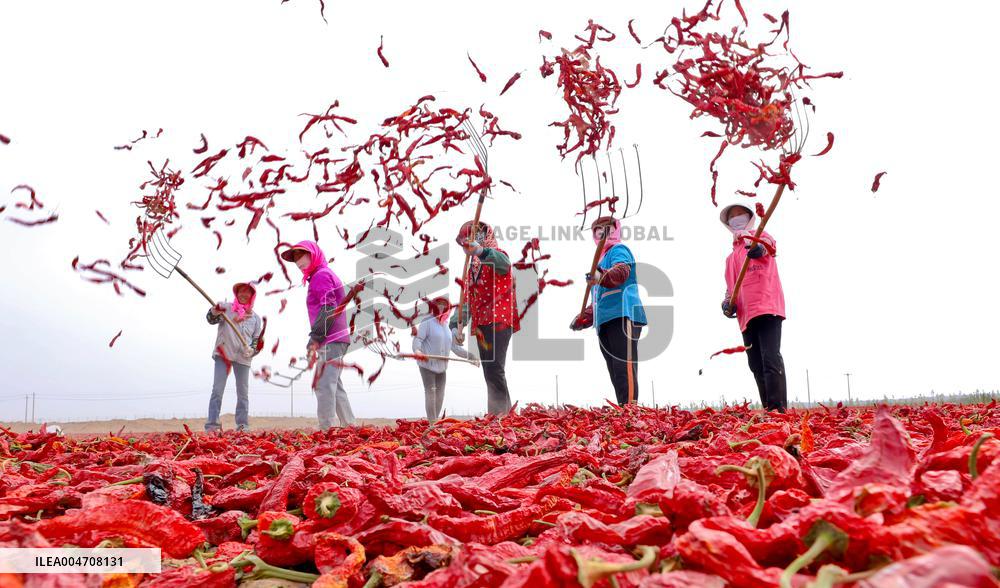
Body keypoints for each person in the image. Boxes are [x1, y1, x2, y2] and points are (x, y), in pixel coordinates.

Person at [570, 217, 647, 405]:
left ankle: (630, 409)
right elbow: (597, 300)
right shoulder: (601, 259)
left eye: (606, 228)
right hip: (604, 320)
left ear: (615, 230)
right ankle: (623, 407)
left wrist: (601, 275)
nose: (601, 232)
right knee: (614, 370)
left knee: (624, 366)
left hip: (623, 314)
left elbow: (621, 272)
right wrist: (584, 318)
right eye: (597, 229)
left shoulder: (619, 250)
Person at [280, 240, 357, 430]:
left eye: (301, 255)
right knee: (334, 384)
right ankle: (350, 427)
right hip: (335, 337)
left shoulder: (321, 276)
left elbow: (328, 308)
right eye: (295, 258)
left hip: (330, 337)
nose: (298, 262)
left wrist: (315, 338)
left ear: (313, 254)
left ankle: (327, 429)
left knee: (323, 384)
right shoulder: (321, 274)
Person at [719, 203, 787, 412]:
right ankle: (768, 406)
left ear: (749, 217)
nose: (736, 218)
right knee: (756, 363)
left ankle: (778, 409)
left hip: (767, 306)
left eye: (740, 214)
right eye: (732, 216)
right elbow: (731, 288)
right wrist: (727, 303)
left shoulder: (759, 235)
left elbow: (770, 246)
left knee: (770, 357)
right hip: (746, 315)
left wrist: (759, 248)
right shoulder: (731, 258)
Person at [450, 221, 520, 415]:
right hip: (482, 324)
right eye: (467, 240)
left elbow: (504, 265)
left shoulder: (496, 255)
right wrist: (456, 324)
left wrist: (481, 251)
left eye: (477, 235)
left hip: (499, 320)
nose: (471, 241)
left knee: (496, 368)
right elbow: (466, 300)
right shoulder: (471, 269)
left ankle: (501, 416)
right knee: (489, 371)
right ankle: (500, 415)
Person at [205, 282, 263, 432]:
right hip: (224, 352)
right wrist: (213, 311)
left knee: (242, 392)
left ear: (252, 296)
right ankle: (212, 425)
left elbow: (256, 341)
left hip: (243, 358)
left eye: (247, 292)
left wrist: (253, 350)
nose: (243, 294)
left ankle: (242, 424)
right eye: (241, 292)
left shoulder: (256, 319)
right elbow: (210, 319)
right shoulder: (226, 308)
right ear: (236, 294)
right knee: (217, 389)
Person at [412, 296, 479, 423]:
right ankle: (432, 423)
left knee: (440, 395)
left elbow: (455, 348)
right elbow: (418, 339)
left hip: (442, 367)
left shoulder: (447, 328)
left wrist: (471, 356)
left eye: (444, 305)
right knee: (431, 392)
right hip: (427, 365)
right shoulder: (427, 322)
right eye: (439, 305)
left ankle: (434, 421)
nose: (441, 308)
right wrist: (417, 351)